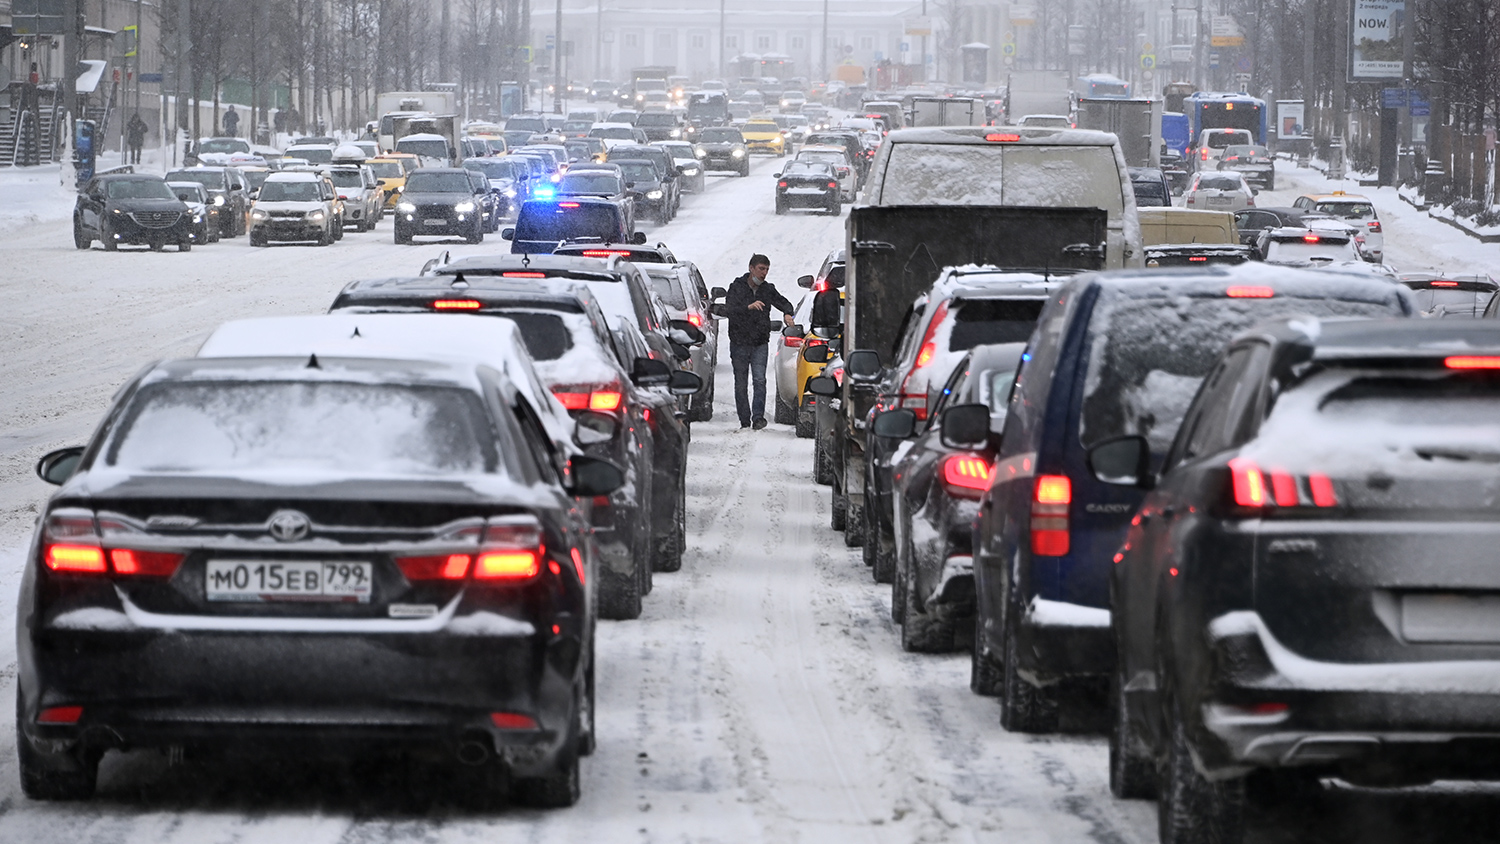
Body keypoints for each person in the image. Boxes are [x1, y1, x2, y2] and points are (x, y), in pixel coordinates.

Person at [725, 254, 795, 430]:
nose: (764, 273)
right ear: (751, 268)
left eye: (767, 269)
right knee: (741, 382)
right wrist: (748, 307)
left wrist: (787, 313)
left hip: (759, 342)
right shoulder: (736, 287)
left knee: (759, 380)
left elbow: (784, 303)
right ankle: (744, 419)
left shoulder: (768, 289)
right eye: (761, 269)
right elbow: (729, 310)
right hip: (739, 342)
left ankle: (758, 418)